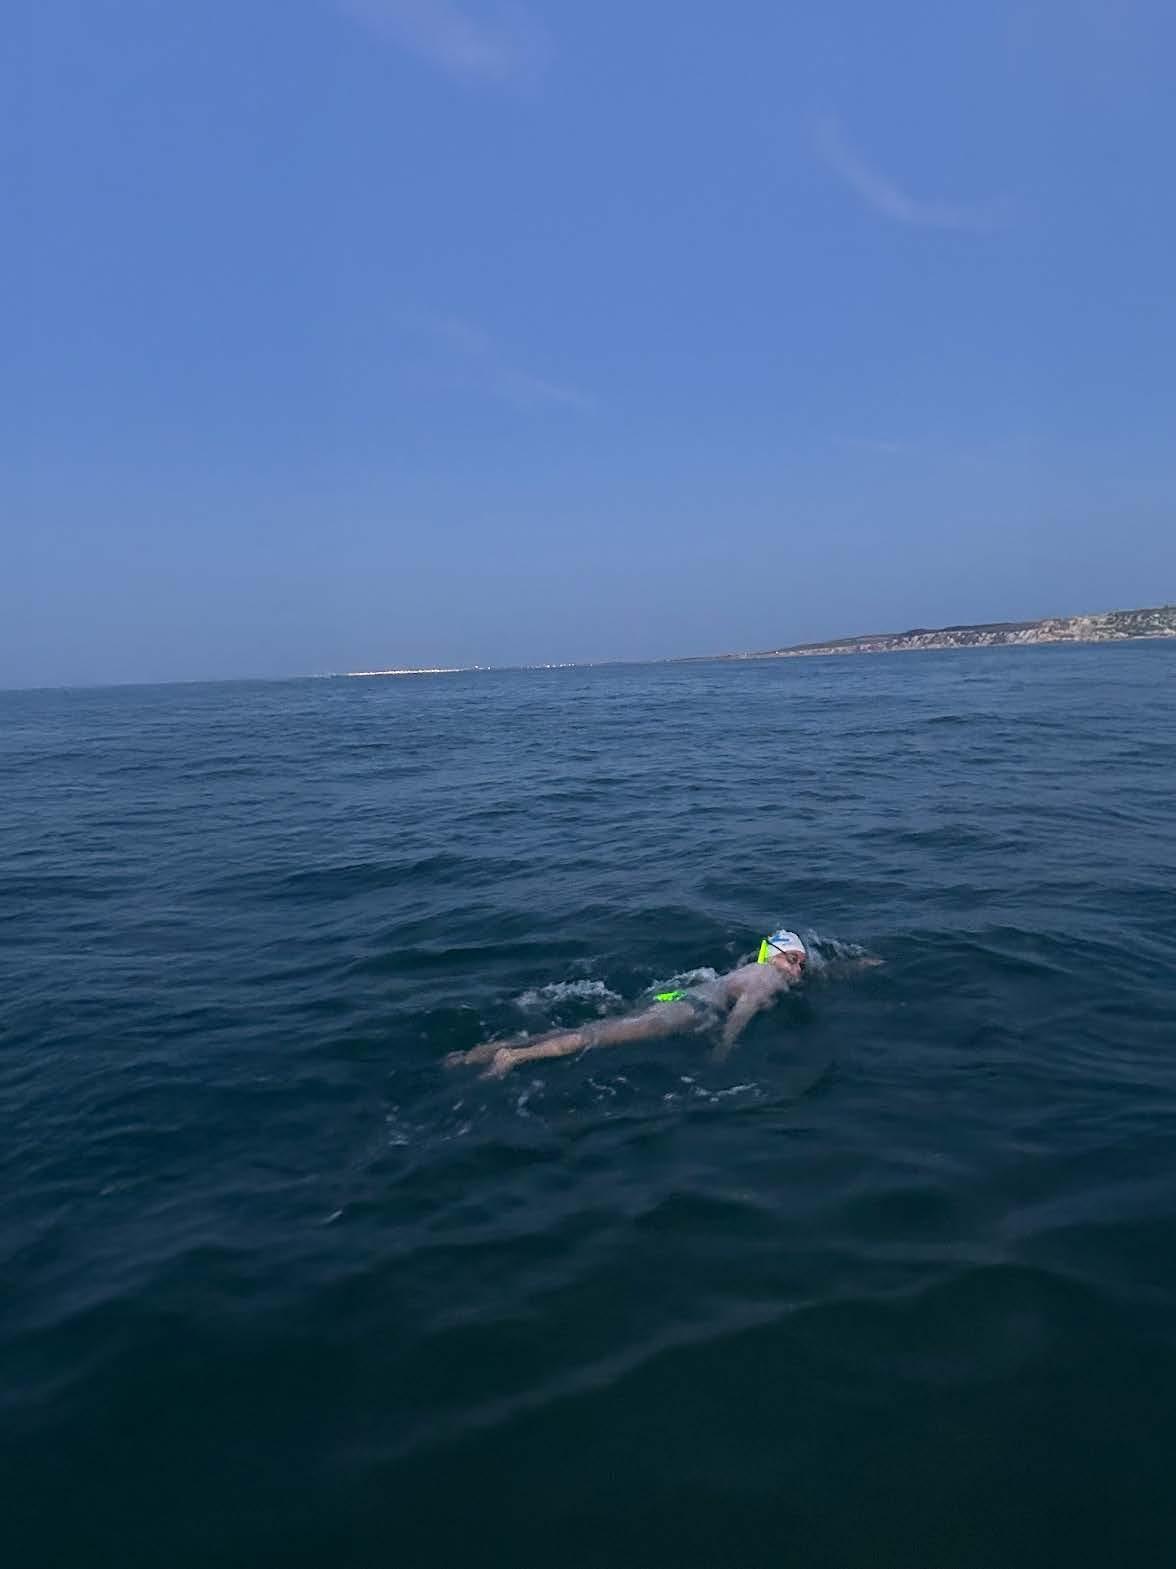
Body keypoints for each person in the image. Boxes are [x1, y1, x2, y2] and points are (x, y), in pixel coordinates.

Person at [446, 928, 815, 1079]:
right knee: (595, 1036)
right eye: (793, 959)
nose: (797, 968)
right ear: (774, 955)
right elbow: (744, 1010)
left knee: (591, 1028)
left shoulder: (748, 967)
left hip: (677, 996)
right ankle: (513, 1057)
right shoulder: (767, 976)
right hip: (688, 1011)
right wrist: (723, 1048)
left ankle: (475, 1054)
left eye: (802, 964)